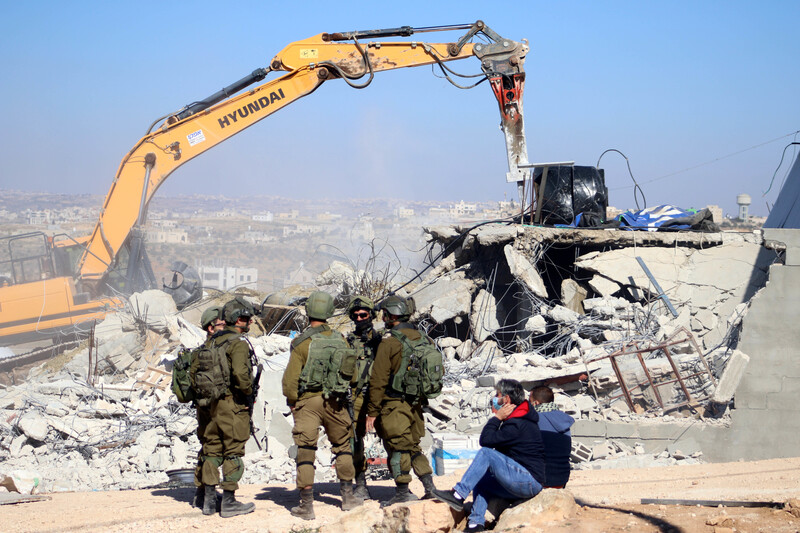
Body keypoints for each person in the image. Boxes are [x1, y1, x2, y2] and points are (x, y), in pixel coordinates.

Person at [282, 291, 362, 520]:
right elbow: (353, 376)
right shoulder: (341, 340)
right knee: (343, 447)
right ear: (329, 312)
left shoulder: (301, 343)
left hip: (307, 402)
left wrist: (293, 403)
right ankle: (347, 497)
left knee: (306, 450)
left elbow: (290, 381)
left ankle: (306, 506)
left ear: (308, 313)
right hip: (336, 401)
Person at [432, 379, 545, 533]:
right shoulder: (520, 418)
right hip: (523, 479)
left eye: (497, 395)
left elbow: (486, 442)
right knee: (481, 478)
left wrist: (496, 418)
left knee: (486, 453)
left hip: (528, 480)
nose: (494, 398)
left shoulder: (517, 423)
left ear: (506, 400)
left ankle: (458, 494)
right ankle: (475, 524)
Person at [366, 295, 437, 507]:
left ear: (390, 315)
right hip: (415, 405)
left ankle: (403, 491)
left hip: (393, 405)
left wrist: (372, 411)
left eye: (384, 314)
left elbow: (378, 380)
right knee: (413, 446)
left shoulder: (390, 342)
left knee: (397, 448)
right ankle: (429, 487)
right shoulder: (424, 339)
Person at [193, 297, 257, 518]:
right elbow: (241, 376)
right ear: (239, 319)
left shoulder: (211, 343)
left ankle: (209, 501)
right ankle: (229, 501)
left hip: (210, 406)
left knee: (211, 449)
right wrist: (248, 393)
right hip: (232, 404)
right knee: (232, 450)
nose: (249, 323)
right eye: (247, 319)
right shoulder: (237, 343)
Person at [346, 295, 382, 500]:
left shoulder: (381, 340)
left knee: (392, 437)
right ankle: (360, 483)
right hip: (357, 395)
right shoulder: (348, 342)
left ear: (371, 315)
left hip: (379, 394)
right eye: (356, 315)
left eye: (363, 315)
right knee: (355, 439)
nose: (359, 319)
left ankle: (402, 486)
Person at [191, 306, 225, 511]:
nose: (224, 327)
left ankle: (201, 493)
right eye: (221, 324)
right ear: (211, 328)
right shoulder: (218, 351)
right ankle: (210, 500)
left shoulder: (198, 353)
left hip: (202, 407)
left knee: (206, 447)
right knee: (214, 448)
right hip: (215, 407)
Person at [530, 385, 574, 488]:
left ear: (536, 403)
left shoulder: (533, 419)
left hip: (540, 480)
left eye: (529, 401)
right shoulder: (563, 419)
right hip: (561, 479)